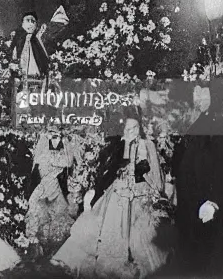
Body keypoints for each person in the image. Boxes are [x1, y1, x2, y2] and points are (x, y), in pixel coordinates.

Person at [51, 111, 170, 278]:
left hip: (140, 194)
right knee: (105, 228)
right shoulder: (119, 146)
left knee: (139, 237)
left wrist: (147, 186)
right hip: (117, 193)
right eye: (127, 129)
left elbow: (155, 175)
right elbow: (108, 173)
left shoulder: (147, 144)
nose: (131, 132)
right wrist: (95, 191)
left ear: (140, 128)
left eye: (135, 128)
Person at [172, 79, 223, 275]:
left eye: (204, 96)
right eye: (197, 96)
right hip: (191, 202)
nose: (199, 100)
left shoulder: (220, 126)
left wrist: (213, 201)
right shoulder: (193, 123)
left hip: (209, 203)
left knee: (212, 263)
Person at [26, 128, 81, 255]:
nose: (54, 139)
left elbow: (68, 162)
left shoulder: (64, 152)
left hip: (55, 187)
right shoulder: (43, 150)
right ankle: (35, 245)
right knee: (35, 209)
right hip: (42, 186)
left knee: (59, 214)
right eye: (51, 136)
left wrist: (65, 142)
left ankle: (54, 247)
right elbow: (40, 161)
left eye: (56, 136)